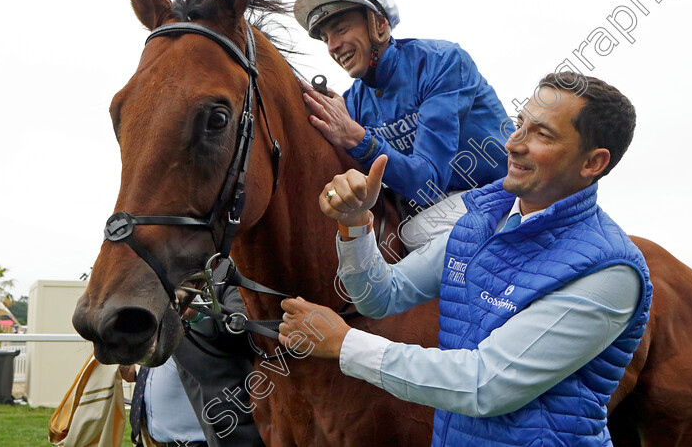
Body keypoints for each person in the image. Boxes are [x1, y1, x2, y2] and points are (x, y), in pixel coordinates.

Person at [278, 72, 653, 446]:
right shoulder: (478, 222)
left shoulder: (611, 271)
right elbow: (382, 296)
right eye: (520, 124)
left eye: (542, 134)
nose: (514, 144)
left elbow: (484, 385)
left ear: (593, 163)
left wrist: (344, 343)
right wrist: (355, 224)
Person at [294, 0, 510, 248]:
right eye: (325, 38)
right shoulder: (353, 103)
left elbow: (427, 185)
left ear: (380, 25)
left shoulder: (442, 62)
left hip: (507, 194)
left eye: (341, 29)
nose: (332, 46)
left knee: (414, 233)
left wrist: (357, 139)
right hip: (442, 207)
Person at [125, 283, 264, 447]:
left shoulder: (229, 280)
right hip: (156, 439)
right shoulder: (162, 287)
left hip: (208, 437)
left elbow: (240, 332)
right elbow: (169, 356)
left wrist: (198, 316)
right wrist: (139, 370)